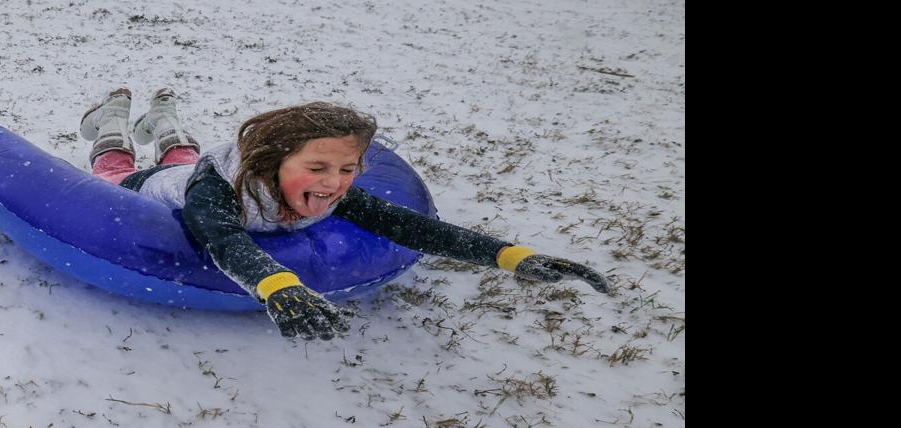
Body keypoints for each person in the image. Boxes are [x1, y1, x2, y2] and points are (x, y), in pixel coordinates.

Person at [80, 89, 608, 340]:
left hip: (199, 166)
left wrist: (511, 257)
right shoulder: (216, 193)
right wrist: (277, 284)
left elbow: (411, 226)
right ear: (273, 162)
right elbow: (222, 240)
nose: (335, 183)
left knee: (184, 152)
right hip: (152, 191)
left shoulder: (332, 190)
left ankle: (165, 115)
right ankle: (111, 119)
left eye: (349, 167)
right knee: (119, 169)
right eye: (318, 167)